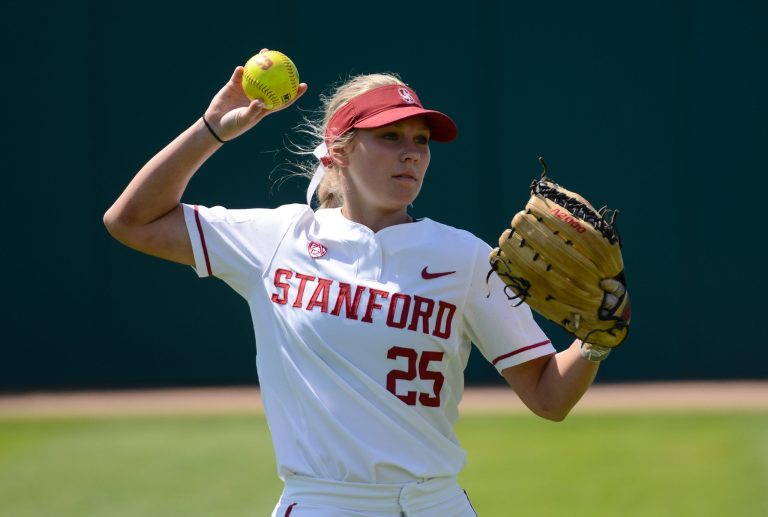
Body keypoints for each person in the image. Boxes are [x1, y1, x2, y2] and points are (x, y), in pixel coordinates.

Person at [104, 52, 605, 517]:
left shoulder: (466, 258)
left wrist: (594, 342)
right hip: (325, 503)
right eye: (390, 136)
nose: (410, 154)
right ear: (338, 151)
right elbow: (131, 221)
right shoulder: (278, 239)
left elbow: (548, 398)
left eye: (421, 140)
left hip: (438, 503)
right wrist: (211, 130)